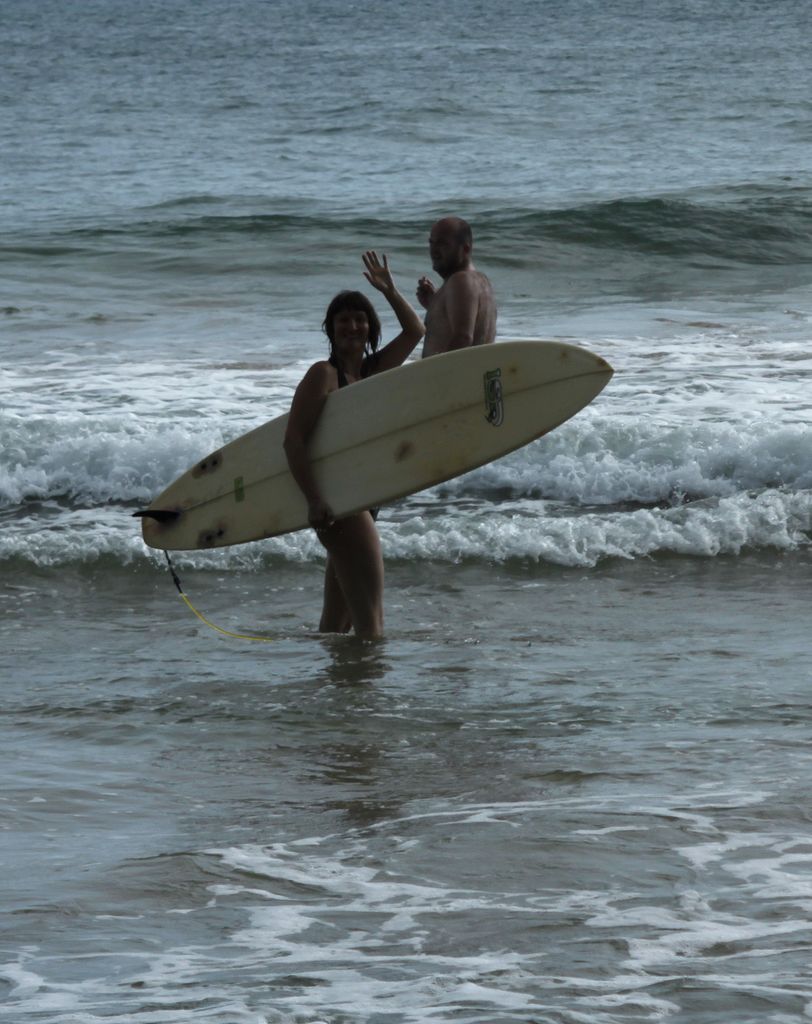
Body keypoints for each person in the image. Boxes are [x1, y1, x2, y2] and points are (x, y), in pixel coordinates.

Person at [283, 251, 424, 639]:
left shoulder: (371, 372)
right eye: (343, 319)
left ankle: (337, 694)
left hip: (361, 499)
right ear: (330, 329)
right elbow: (293, 442)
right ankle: (367, 694)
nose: (353, 325)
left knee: (336, 625)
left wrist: (390, 290)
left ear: (370, 327)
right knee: (372, 627)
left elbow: (415, 332)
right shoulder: (323, 375)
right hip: (337, 502)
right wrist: (312, 499)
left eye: (360, 318)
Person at [416, 216, 497, 358]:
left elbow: (463, 338)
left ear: (465, 249)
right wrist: (434, 304)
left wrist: (438, 375)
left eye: (443, 244)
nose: (434, 250)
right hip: (474, 374)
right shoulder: (481, 282)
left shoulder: (461, 281)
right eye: (431, 243)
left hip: (451, 378)